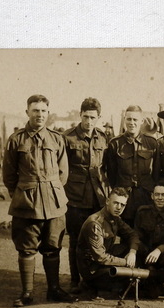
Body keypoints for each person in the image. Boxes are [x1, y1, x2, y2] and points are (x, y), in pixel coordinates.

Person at [2, 94, 75, 307]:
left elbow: (63, 173)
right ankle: (27, 293)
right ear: (27, 112)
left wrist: (52, 192)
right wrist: (22, 193)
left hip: (53, 202)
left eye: (43, 111)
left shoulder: (56, 138)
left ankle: (54, 289)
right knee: (26, 248)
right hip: (26, 202)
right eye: (35, 110)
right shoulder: (16, 139)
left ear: (48, 113)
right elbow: (8, 175)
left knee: (53, 247)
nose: (40, 115)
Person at [63, 97, 109, 294]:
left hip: (97, 197)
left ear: (99, 117)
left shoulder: (103, 137)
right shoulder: (67, 137)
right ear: (79, 115)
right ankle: (75, 280)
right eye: (85, 116)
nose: (88, 121)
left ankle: (93, 279)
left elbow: (105, 168)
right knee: (76, 240)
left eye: (92, 117)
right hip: (75, 198)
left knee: (98, 240)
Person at [76, 187, 140, 296]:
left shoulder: (115, 218)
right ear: (107, 201)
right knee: (126, 284)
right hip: (93, 269)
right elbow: (100, 257)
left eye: (122, 205)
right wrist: (126, 263)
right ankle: (89, 285)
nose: (119, 208)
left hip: (105, 260)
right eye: (116, 203)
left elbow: (132, 234)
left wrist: (132, 253)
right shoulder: (95, 223)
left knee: (138, 248)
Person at [106, 105, 158, 226]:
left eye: (135, 119)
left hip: (146, 198)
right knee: (126, 234)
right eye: (128, 119)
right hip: (125, 199)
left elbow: (156, 172)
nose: (131, 123)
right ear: (124, 120)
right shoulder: (115, 144)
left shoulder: (151, 143)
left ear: (141, 121)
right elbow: (112, 175)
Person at [135, 184, 164, 298]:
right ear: (152, 196)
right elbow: (136, 235)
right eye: (157, 194)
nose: (160, 198)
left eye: (163, 195)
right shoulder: (142, 212)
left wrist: (159, 250)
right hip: (146, 254)